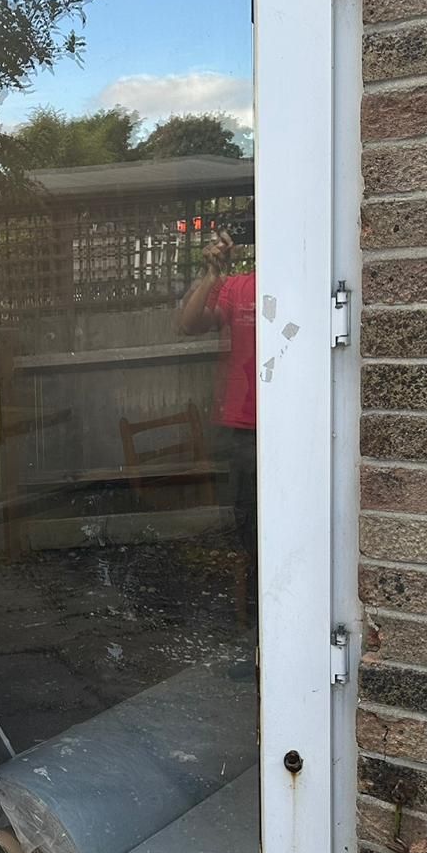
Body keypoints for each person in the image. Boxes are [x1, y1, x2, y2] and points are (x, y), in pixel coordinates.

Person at [177, 226, 256, 602]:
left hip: (296, 422)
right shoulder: (237, 287)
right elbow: (189, 324)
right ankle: (257, 611)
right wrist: (211, 276)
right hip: (244, 425)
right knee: (248, 522)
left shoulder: (302, 281)